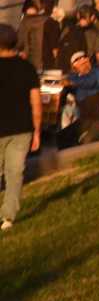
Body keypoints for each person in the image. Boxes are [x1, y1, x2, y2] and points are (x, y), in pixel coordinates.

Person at [0, 24, 41, 231]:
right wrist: (37, 131)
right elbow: (35, 102)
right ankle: (8, 217)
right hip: (22, 129)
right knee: (15, 173)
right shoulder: (27, 68)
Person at [64, 51, 99, 144]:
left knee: (87, 140)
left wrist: (73, 83)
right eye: (78, 61)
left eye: (85, 58)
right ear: (74, 66)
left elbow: (95, 81)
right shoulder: (73, 78)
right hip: (85, 119)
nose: (83, 61)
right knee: (64, 136)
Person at [17, 0, 59, 72]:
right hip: (46, 62)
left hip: (29, 61)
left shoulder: (24, 22)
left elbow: (19, 42)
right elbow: (55, 48)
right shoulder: (50, 21)